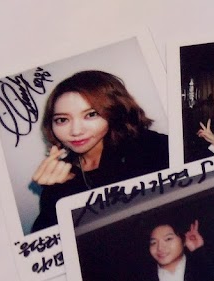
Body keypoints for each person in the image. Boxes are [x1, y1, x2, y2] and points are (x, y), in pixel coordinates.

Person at [30, 70, 168, 233]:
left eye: (91, 114)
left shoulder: (151, 148)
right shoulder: (61, 175)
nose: (75, 131)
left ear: (115, 112)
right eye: (62, 120)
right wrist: (56, 193)